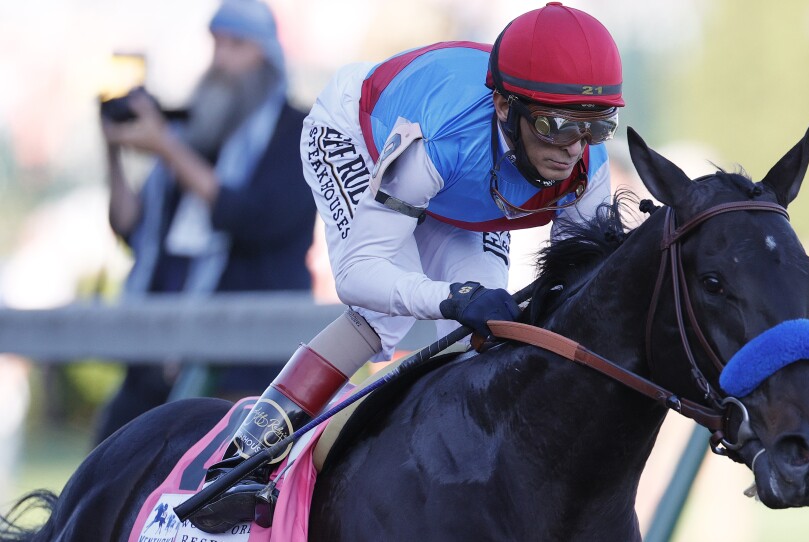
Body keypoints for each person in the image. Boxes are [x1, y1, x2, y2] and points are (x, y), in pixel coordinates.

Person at [189, 2, 624, 532]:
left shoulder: (586, 168)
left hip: (461, 184)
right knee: (382, 318)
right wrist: (449, 298)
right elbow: (359, 276)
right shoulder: (441, 139)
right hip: (359, 136)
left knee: (485, 336)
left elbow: (581, 291)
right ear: (507, 108)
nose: (573, 149)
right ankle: (242, 459)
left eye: (595, 127)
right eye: (556, 125)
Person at [94, 0, 316, 444]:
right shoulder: (196, 131)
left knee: (221, 493)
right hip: (156, 354)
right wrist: (114, 149)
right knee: (101, 480)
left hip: (244, 364)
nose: (220, 59)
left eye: (236, 45)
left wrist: (168, 149)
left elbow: (257, 219)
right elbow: (131, 228)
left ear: (267, 56)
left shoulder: (296, 129)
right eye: (215, 44)